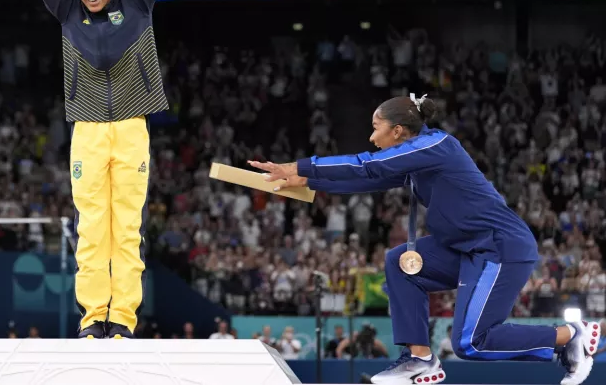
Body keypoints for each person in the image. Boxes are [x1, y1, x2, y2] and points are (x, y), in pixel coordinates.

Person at [249, 95, 598, 385]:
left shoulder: (438, 145)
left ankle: (569, 336)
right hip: (466, 249)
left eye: (375, 128)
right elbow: (367, 180)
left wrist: (298, 167)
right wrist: (306, 183)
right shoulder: (416, 158)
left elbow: (367, 165)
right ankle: (420, 359)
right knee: (398, 263)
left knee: (469, 342)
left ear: (397, 130)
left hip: (499, 247)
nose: (372, 137)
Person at [0, 0, 197, 339]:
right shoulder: (65, 9)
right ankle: (91, 317)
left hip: (131, 129)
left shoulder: (138, 1)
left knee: (126, 230)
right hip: (88, 132)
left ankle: (121, 318)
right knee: (90, 228)